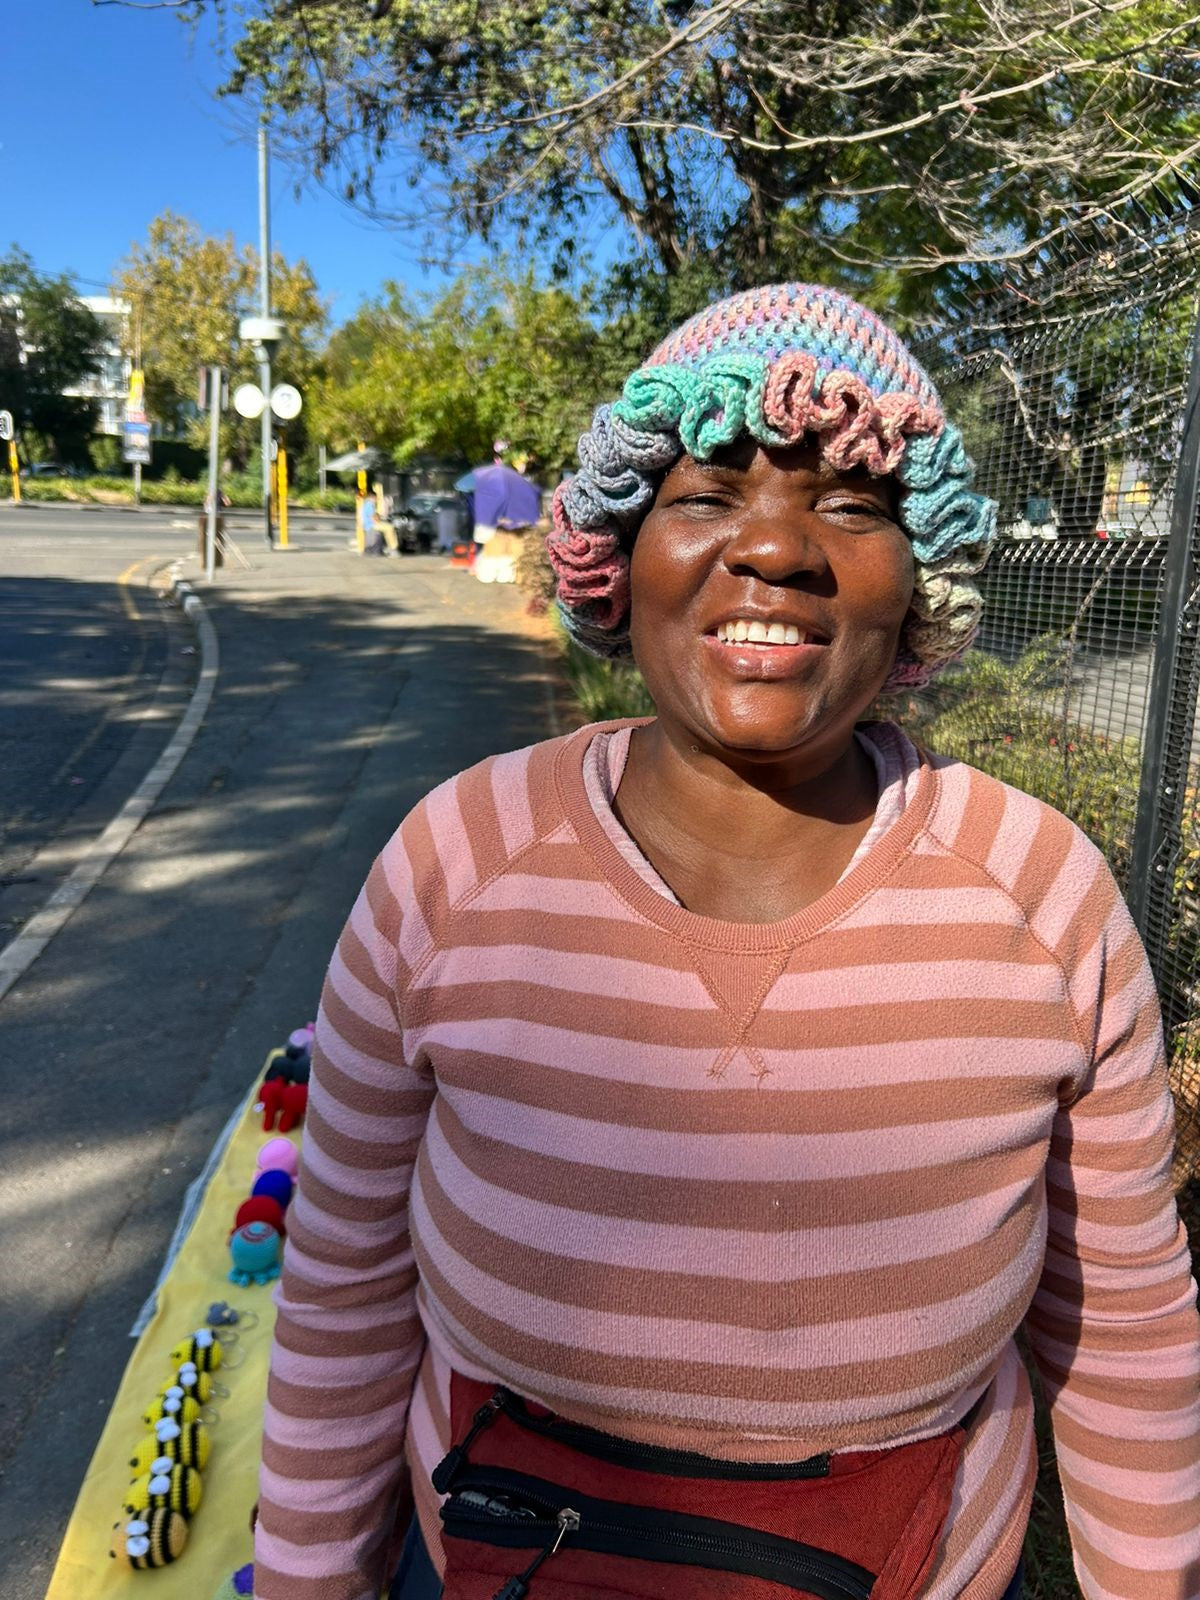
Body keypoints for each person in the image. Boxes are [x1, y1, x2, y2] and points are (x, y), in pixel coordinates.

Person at [252, 285, 1200, 1600]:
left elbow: (1124, 1321)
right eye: (705, 492)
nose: (779, 547)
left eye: (852, 503)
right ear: (616, 552)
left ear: (924, 577)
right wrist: (310, 1576)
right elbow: (345, 1282)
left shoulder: (1045, 896)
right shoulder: (452, 863)